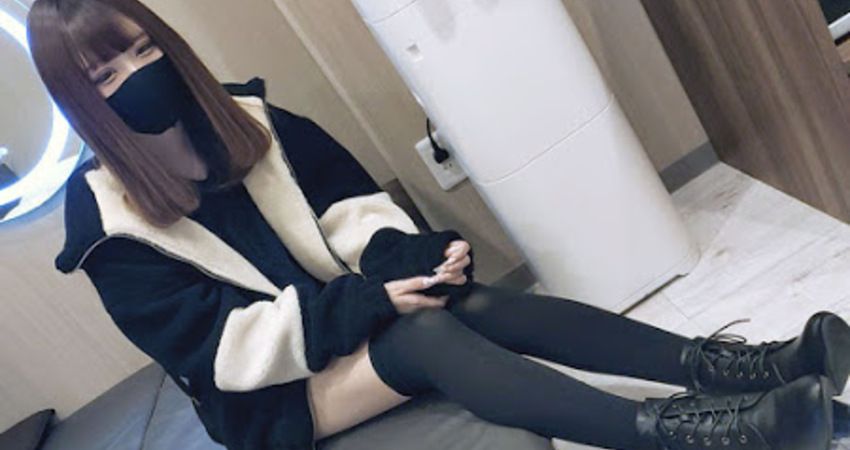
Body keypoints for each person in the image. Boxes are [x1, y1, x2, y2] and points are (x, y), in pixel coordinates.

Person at [27, 0, 850, 449]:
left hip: (343, 325)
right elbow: (221, 352)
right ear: (81, 101)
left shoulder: (250, 122)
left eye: (142, 50)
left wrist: (413, 261)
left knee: (464, 300)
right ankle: (697, 435)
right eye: (106, 74)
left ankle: (737, 369)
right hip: (270, 397)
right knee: (422, 335)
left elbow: (350, 212)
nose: (135, 74)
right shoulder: (105, 226)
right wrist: (372, 303)